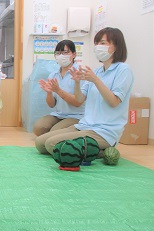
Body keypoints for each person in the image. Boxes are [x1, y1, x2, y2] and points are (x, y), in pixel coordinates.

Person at [35, 27, 133, 155]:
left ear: (116, 46)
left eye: (103, 43)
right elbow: (80, 98)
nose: (98, 47)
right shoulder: (97, 71)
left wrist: (96, 80)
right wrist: (76, 82)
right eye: (97, 43)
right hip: (85, 125)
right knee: (40, 143)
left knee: (51, 144)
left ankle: (103, 151)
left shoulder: (123, 70)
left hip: (104, 131)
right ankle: (93, 149)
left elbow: (114, 102)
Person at [32, 40, 85, 137]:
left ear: (74, 54)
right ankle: (61, 135)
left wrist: (58, 90)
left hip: (76, 116)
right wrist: (49, 93)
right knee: (38, 128)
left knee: (53, 133)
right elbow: (51, 105)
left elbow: (78, 102)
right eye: (58, 53)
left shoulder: (79, 73)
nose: (61, 56)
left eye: (65, 53)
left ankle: (67, 134)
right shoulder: (54, 74)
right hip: (58, 114)